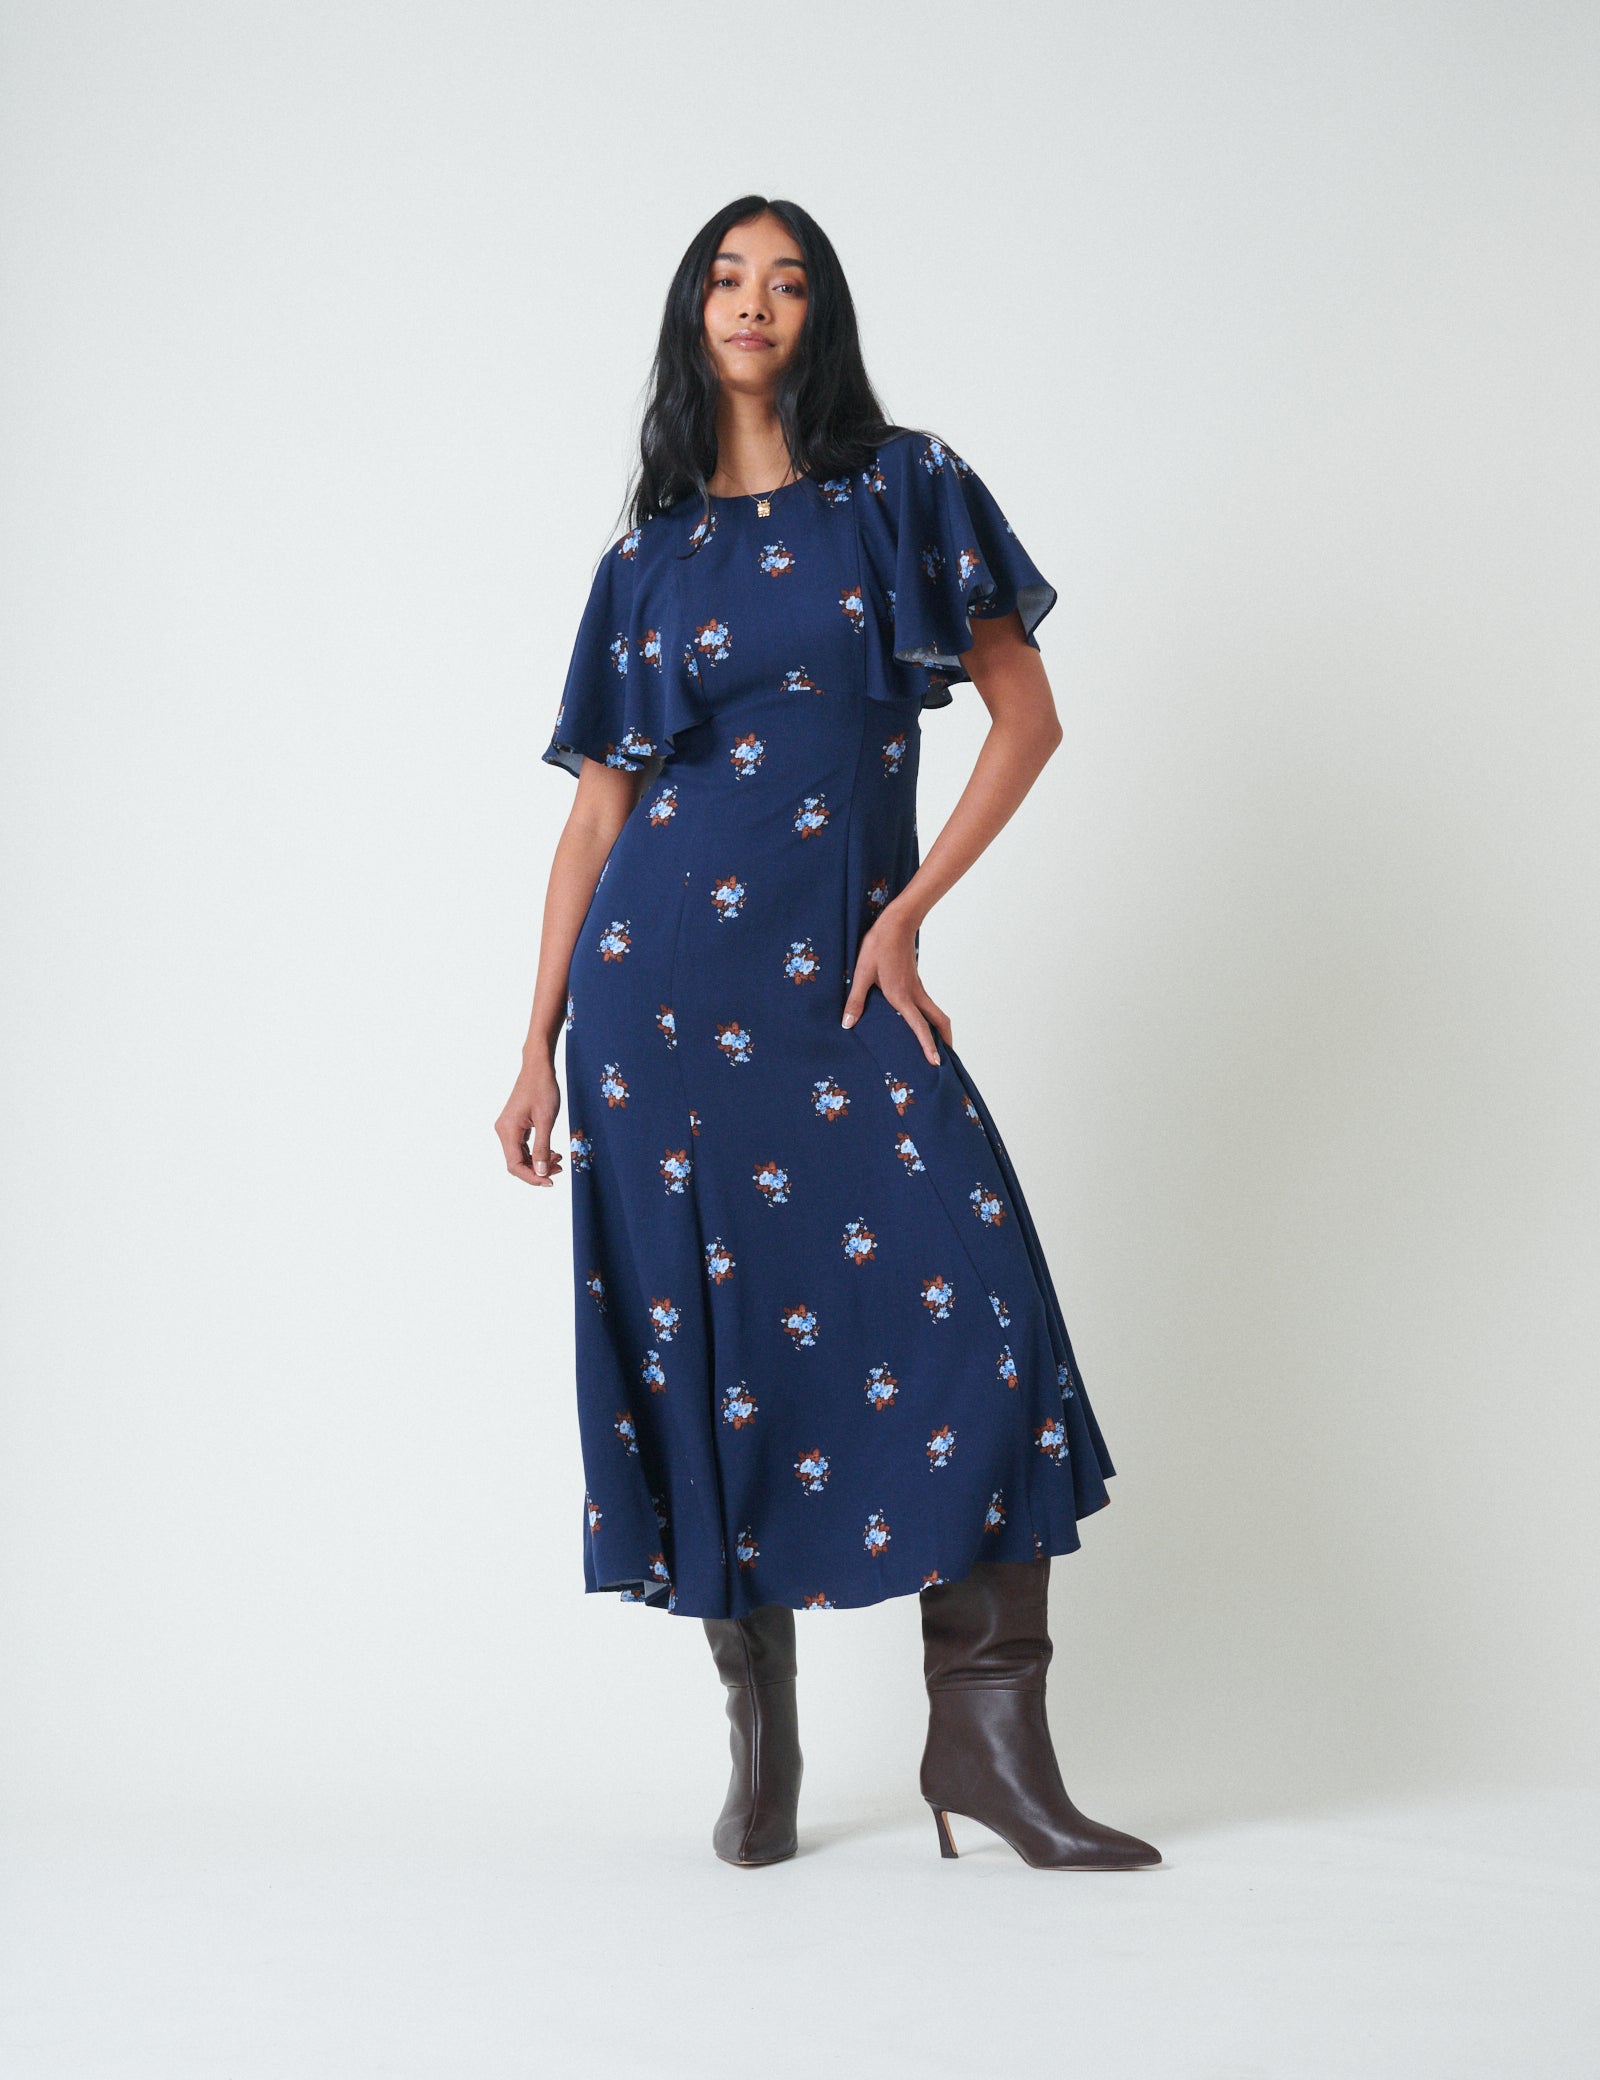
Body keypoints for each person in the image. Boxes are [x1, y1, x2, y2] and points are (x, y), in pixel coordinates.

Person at [496, 195, 1160, 1874]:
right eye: (728, 277)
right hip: (656, 1011)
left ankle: (989, 1756)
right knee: (708, 1355)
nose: (755, 302)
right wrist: (532, 1043)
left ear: (823, 315)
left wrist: (908, 907)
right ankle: (762, 1741)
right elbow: (592, 830)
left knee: (988, 1308)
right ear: (689, 314)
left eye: (788, 280)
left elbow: (1030, 713)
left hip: (844, 990)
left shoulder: (903, 488)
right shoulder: (643, 561)